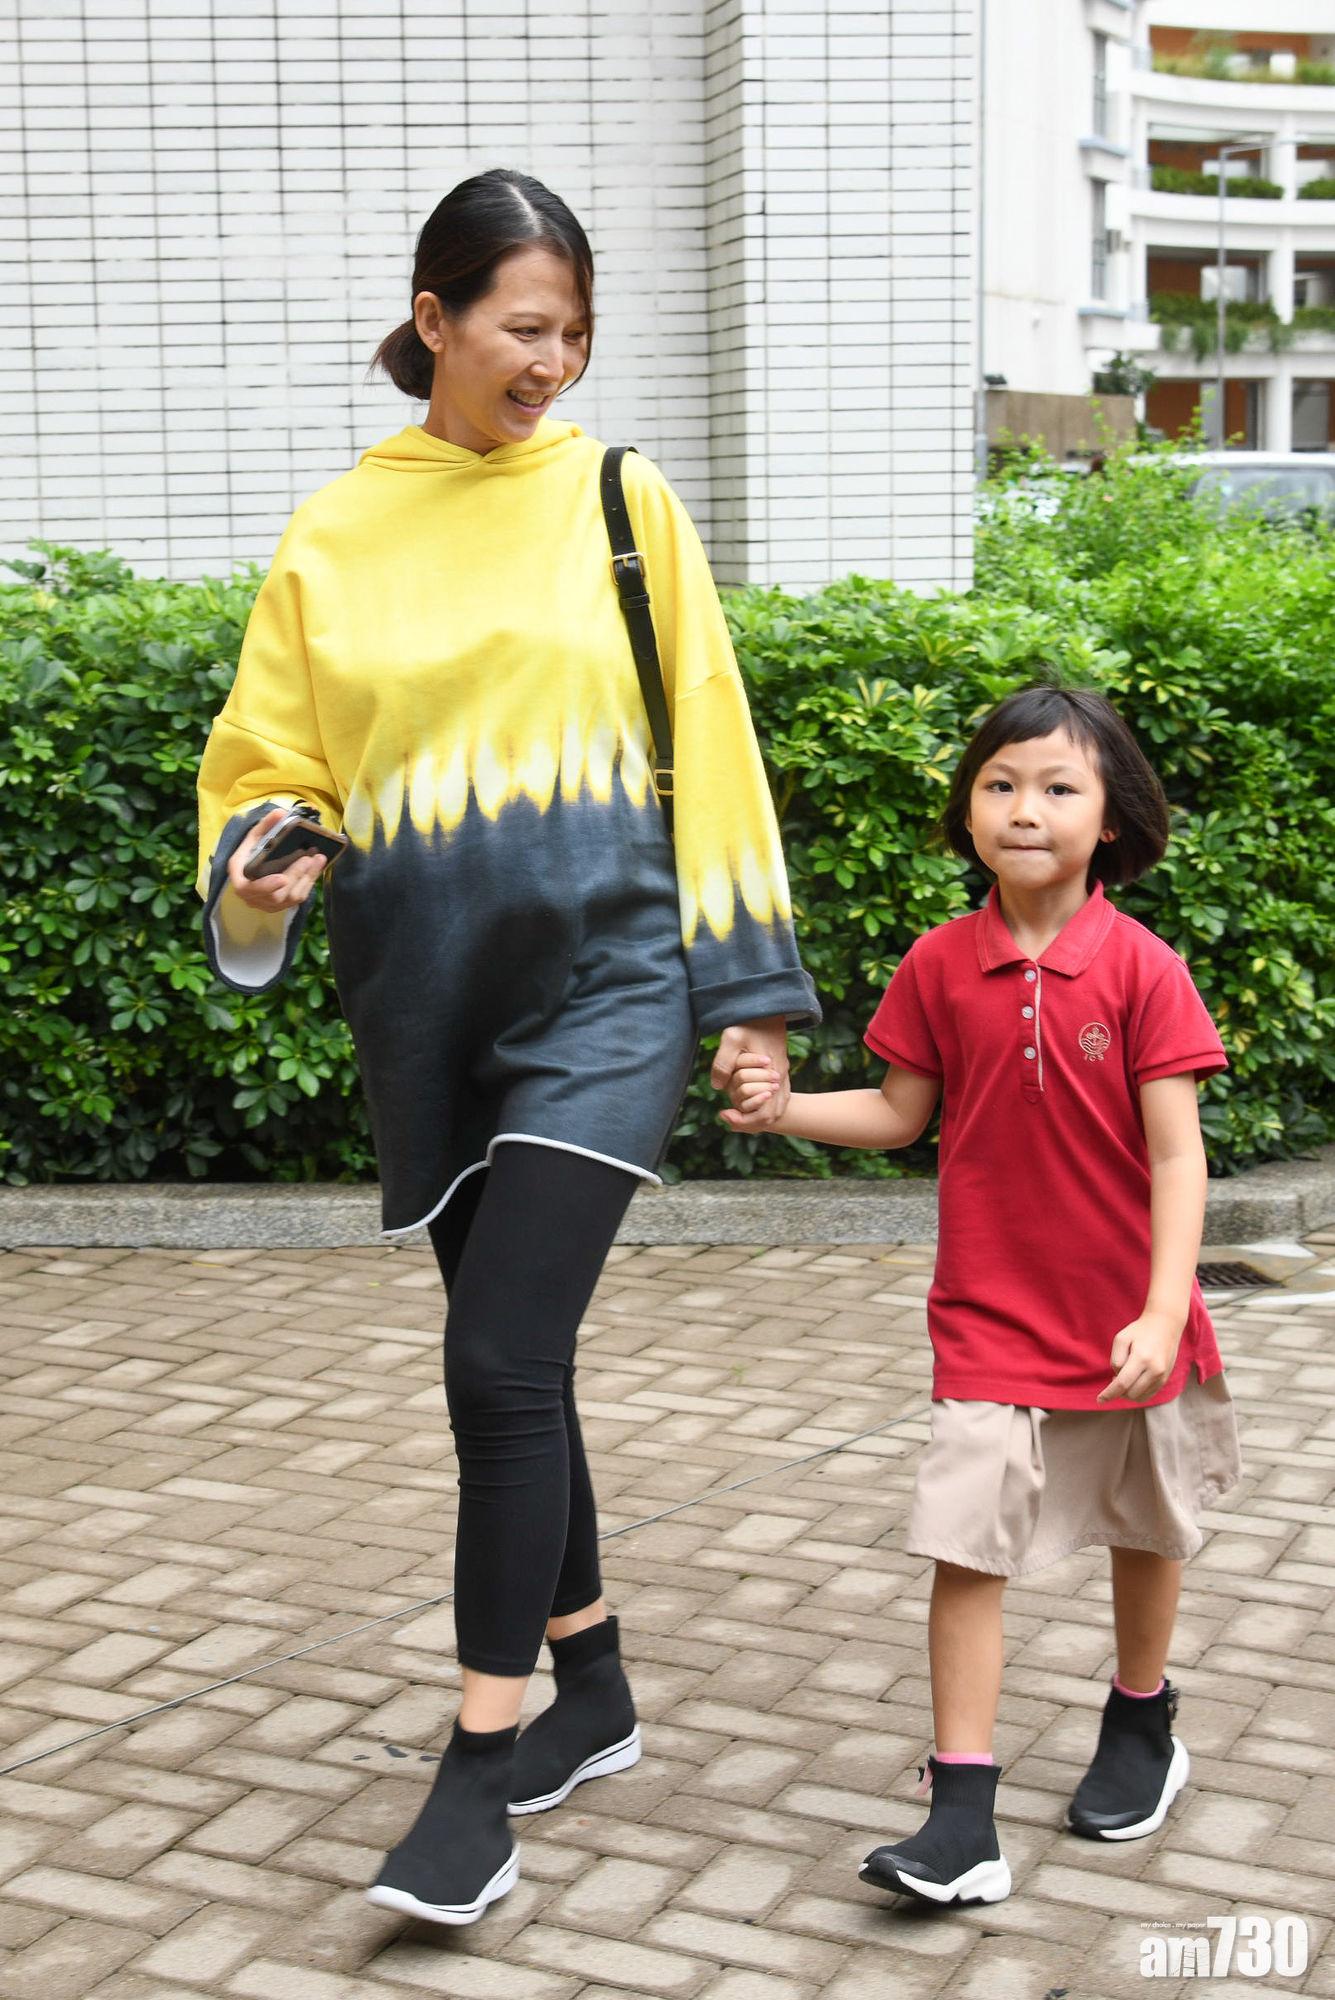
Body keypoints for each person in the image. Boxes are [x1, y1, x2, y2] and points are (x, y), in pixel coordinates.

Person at [195, 168, 818, 1927]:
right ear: (435, 319)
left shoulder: (620, 499)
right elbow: (267, 762)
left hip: (610, 985)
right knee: (516, 1366)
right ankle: (592, 1684)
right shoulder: (336, 532)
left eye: (574, 334)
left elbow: (712, 731)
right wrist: (263, 856)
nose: (553, 363)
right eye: (524, 328)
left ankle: (479, 1768)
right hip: (427, 999)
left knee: (496, 1362)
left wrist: (745, 989)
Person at [722, 684, 1240, 1907]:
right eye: (1000, 784)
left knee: (1145, 1526)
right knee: (964, 1541)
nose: (1025, 808)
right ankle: (961, 1816)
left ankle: (1142, 1719)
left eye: (1059, 786)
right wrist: (784, 1109)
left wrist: (1165, 1306)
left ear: (1111, 818)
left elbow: (1180, 1156)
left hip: (1126, 1316)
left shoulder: (1144, 967)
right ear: (968, 810)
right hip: (987, 1316)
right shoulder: (940, 962)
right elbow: (901, 1111)